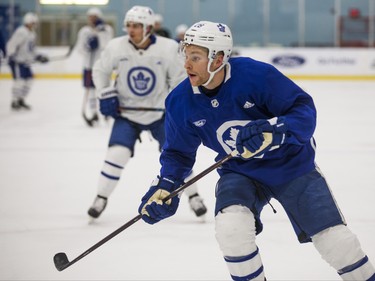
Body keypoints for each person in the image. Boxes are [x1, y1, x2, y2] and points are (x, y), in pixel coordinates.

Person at [137, 21, 375, 281]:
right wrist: (168, 184)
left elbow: (303, 111)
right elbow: (178, 154)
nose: (187, 64)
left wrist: (275, 131)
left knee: (337, 243)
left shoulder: (256, 75)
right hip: (240, 172)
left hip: (291, 165)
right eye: (186, 55)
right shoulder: (180, 101)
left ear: (218, 58)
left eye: (195, 57)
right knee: (231, 229)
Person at [88, 6, 207, 221]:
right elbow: (101, 70)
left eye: (136, 26)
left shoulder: (168, 49)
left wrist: (176, 107)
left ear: (149, 28)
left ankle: (194, 196)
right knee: (116, 155)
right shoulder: (117, 46)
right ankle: (100, 197)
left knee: (179, 157)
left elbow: (180, 79)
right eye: (129, 25)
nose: (131, 30)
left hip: (160, 115)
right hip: (127, 114)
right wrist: (105, 93)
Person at [76, 7, 113, 126]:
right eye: (90, 17)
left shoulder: (106, 29)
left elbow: (108, 46)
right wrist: (88, 46)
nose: (92, 19)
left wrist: (100, 36)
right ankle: (94, 113)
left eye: (95, 17)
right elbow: (80, 49)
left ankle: (107, 112)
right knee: (91, 90)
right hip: (88, 66)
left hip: (102, 65)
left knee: (104, 88)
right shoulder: (84, 31)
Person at [6, 12, 49, 110]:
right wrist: (11, 55)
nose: (34, 25)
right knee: (19, 81)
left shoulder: (32, 34)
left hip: (26, 62)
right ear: (28, 22)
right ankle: (14, 101)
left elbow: (31, 49)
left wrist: (39, 56)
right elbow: (12, 44)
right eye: (33, 23)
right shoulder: (21, 31)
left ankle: (21, 99)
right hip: (18, 61)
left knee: (29, 80)